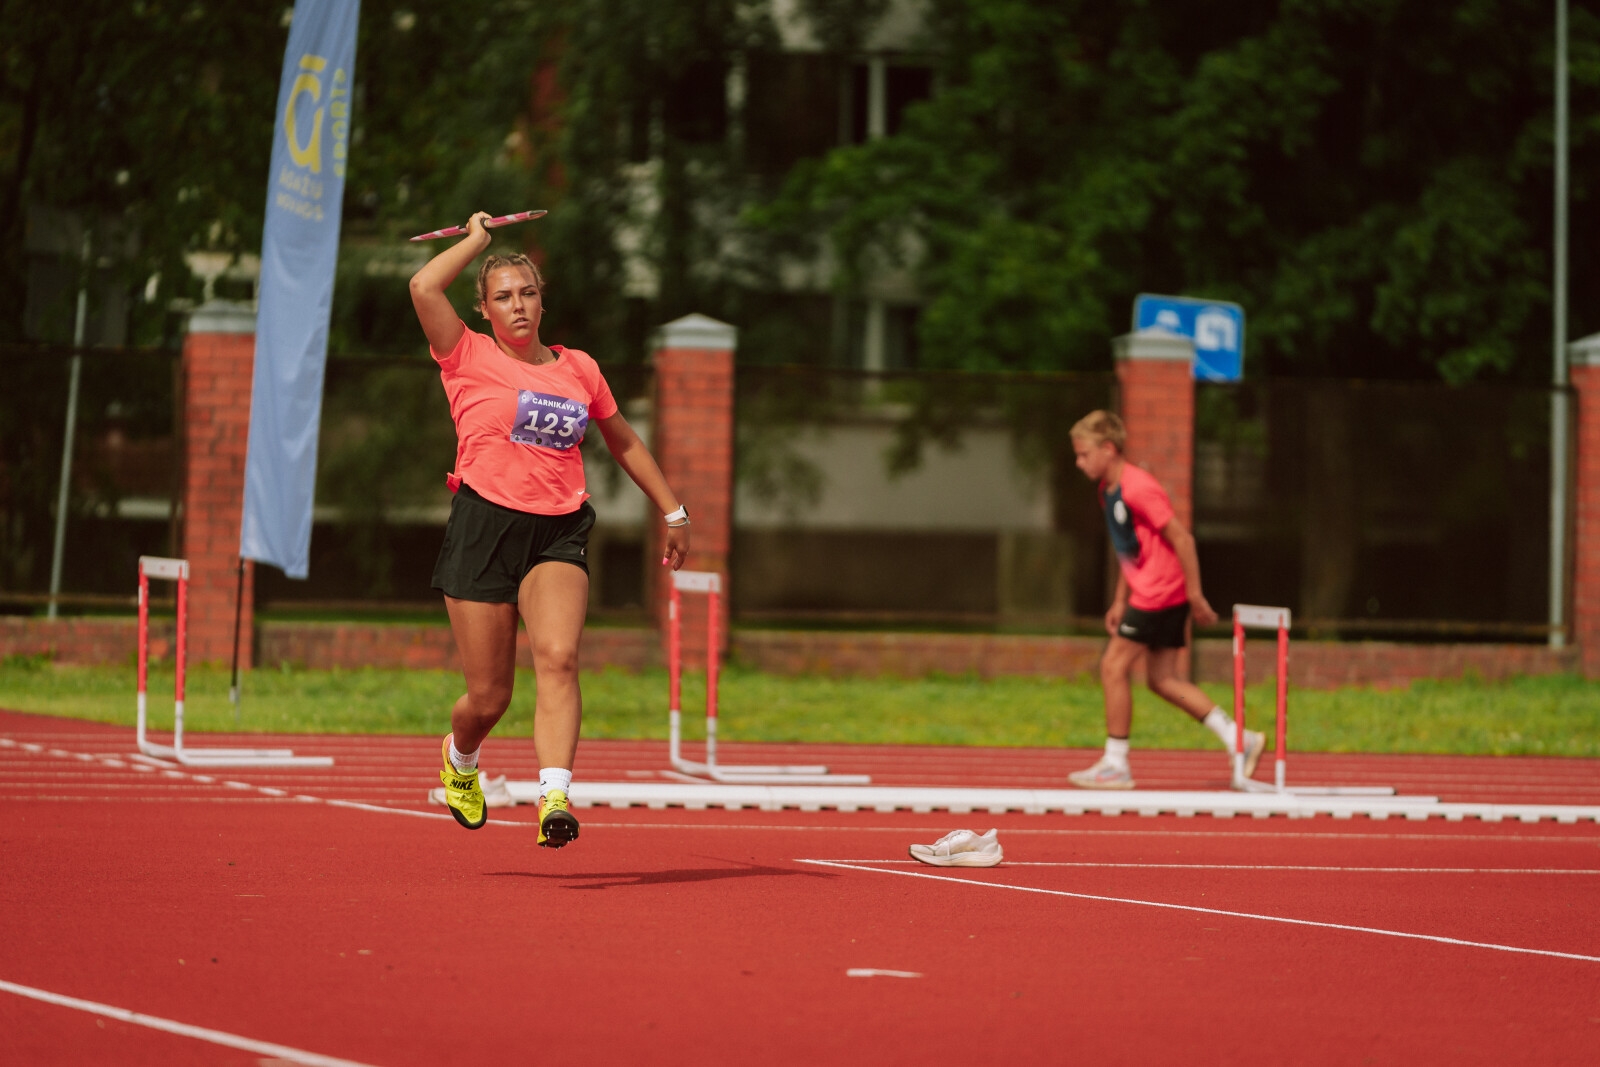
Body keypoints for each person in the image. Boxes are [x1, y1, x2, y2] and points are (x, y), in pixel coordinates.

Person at [410, 211, 690, 845]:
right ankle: (460, 757)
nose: (517, 307)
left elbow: (622, 439)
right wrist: (475, 242)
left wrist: (674, 510)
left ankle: (554, 797)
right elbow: (424, 288)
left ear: (542, 301)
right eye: (502, 297)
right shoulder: (465, 353)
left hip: (559, 529)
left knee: (559, 658)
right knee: (488, 698)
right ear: (482, 310)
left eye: (527, 293)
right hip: (484, 526)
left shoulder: (578, 369)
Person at [1066, 410, 1263, 790]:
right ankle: (1240, 738)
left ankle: (1116, 763)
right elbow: (1130, 549)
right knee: (1162, 679)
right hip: (1151, 591)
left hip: (1161, 592)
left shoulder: (1139, 487)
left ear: (1109, 449)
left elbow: (1183, 539)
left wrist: (1195, 595)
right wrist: (1119, 599)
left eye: (1084, 454)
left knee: (1112, 666)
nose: (1079, 462)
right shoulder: (1106, 492)